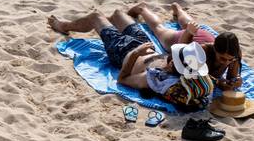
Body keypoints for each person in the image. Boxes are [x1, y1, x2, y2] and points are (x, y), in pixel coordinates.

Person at [47, 7, 215, 111]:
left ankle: (64, 26)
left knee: (95, 16)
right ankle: (104, 24)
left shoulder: (156, 79)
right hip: (144, 44)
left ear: (172, 64)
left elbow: (122, 79)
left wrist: (136, 53)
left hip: (122, 51)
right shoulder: (191, 73)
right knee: (118, 14)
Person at [127, 2, 244, 92]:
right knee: (159, 29)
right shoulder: (202, 52)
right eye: (223, 59)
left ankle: (178, 9)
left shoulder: (234, 54)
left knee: (190, 25)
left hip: (204, 36)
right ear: (215, 49)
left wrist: (235, 81)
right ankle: (142, 8)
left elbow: (231, 78)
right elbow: (180, 50)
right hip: (185, 40)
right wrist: (220, 83)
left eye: (230, 60)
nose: (226, 63)